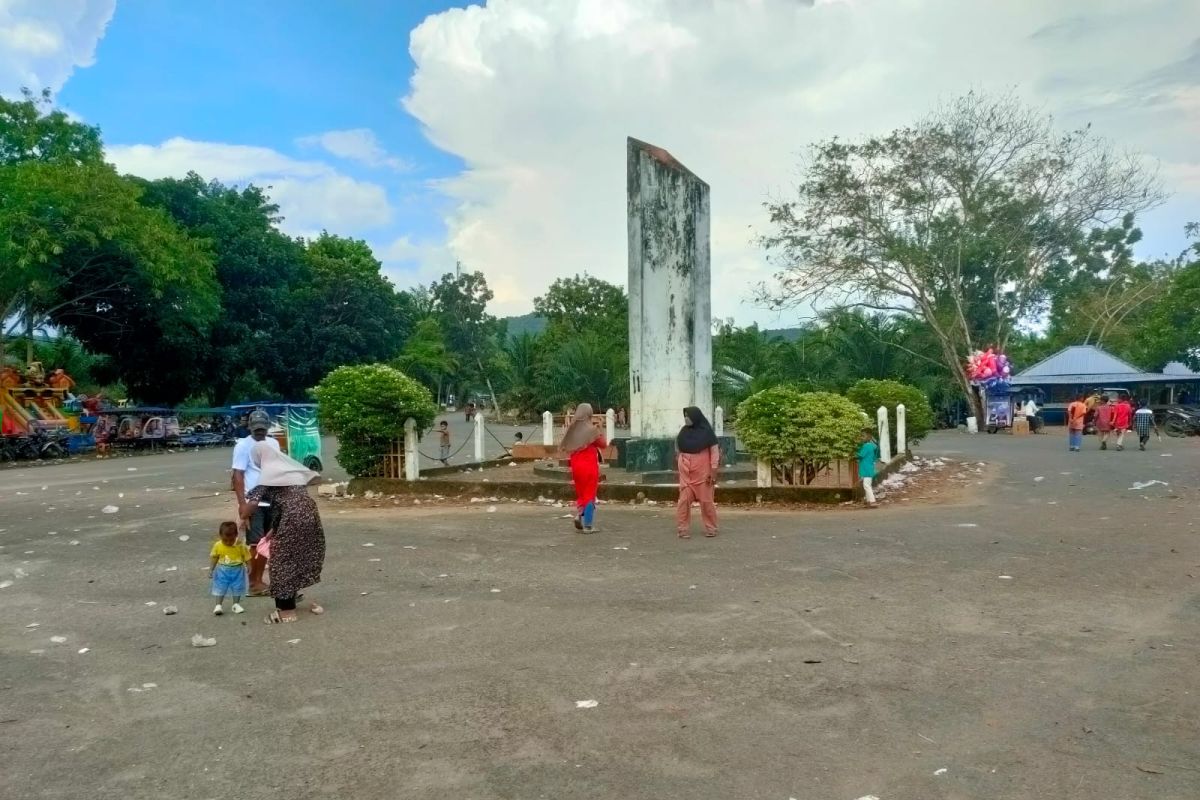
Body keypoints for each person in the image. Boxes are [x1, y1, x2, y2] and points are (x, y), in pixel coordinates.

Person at [240, 443, 326, 624]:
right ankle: (289, 597)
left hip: (292, 519)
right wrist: (273, 531)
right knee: (294, 556)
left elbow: (253, 504)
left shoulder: (269, 476)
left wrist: (243, 515)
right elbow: (285, 505)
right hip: (310, 517)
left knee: (281, 562)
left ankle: (287, 611)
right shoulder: (291, 473)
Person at [231, 409, 280, 595]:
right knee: (255, 544)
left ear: (268, 427)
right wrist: (242, 505)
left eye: (262, 428)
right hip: (254, 503)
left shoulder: (274, 443)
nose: (259, 432)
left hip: (272, 501)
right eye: (256, 428)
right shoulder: (243, 446)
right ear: (250, 427)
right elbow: (238, 475)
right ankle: (253, 583)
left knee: (267, 543)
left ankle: (259, 580)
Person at [675, 407, 721, 539]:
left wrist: (713, 471)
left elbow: (714, 452)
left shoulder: (707, 433)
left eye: (688, 416)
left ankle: (711, 528)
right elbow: (678, 449)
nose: (686, 418)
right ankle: (682, 529)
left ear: (695, 417)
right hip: (686, 475)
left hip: (703, 475)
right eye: (684, 416)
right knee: (683, 502)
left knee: (707, 502)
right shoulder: (683, 432)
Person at [560, 403, 605, 533]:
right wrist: (600, 428)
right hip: (589, 466)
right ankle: (588, 526)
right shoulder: (591, 430)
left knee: (581, 493)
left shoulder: (572, 429)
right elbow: (603, 444)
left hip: (576, 467)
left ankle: (579, 516)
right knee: (590, 494)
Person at [209, 521, 249, 616]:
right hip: (222, 570)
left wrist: (249, 566)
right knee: (220, 587)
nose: (228, 542)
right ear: (220, 536)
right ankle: (218, 605)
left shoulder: (240, 546)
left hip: (238, 570)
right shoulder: (218, 545)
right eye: (225, 540)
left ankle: (236, 604)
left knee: (237, 587)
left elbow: (246, 556)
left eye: (231, 540)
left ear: (236, 535)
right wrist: (211, 569)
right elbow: (215, 557)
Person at [857, 429, 880, 508]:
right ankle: (868, 501)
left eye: (863, 436)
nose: (861, 438)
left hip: (866, 468)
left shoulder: (866, 446)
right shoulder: (871, 446)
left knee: (866, 485)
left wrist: (853, 454)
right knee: (867, 485)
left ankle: (872, 501)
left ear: (868, 438)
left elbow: (860, 455)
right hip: (868, 467)